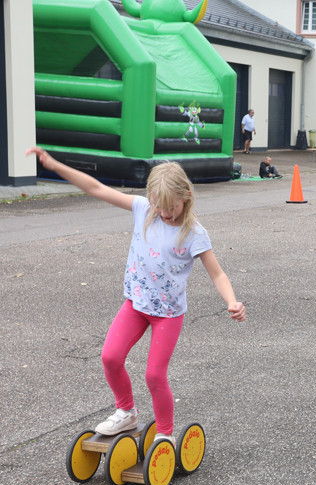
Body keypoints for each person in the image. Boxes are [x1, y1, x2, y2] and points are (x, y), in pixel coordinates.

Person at [26, 147, 247, 446]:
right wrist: (54, 165)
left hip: (168, 314)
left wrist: (232, 301)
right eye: (158, 205)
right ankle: (126, 411)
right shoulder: (144, 209)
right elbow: (96, 188)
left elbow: (217, 273)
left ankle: (165, 434)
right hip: (136, 304)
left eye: (171, 207)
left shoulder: (194, 233)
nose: (164, 213)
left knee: (154, 376)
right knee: (110, 357)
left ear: (186, 197)